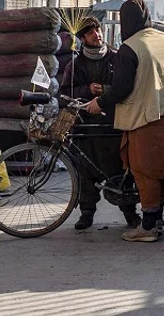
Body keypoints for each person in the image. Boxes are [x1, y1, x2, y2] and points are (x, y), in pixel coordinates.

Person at [86, 0, 164, 243]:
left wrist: (99, 102)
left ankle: (148, 227)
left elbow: (121, 88)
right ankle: (156, 221)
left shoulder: (129, 48)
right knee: (162, 169)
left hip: (146, 118)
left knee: (145, 172)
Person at [61, 17, 140, 230]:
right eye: (91, 33)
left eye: (98, 30)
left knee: (121, 172)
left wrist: (105, 92)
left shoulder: (116, 58)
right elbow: (64, 94)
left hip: (114, 125)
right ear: (83, 38)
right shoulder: (75, 65)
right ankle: (87, 214)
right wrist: (87, 90)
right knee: (86, 173)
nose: (97, 35)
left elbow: (127, 86)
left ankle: (130, 213)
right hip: (86, 128)